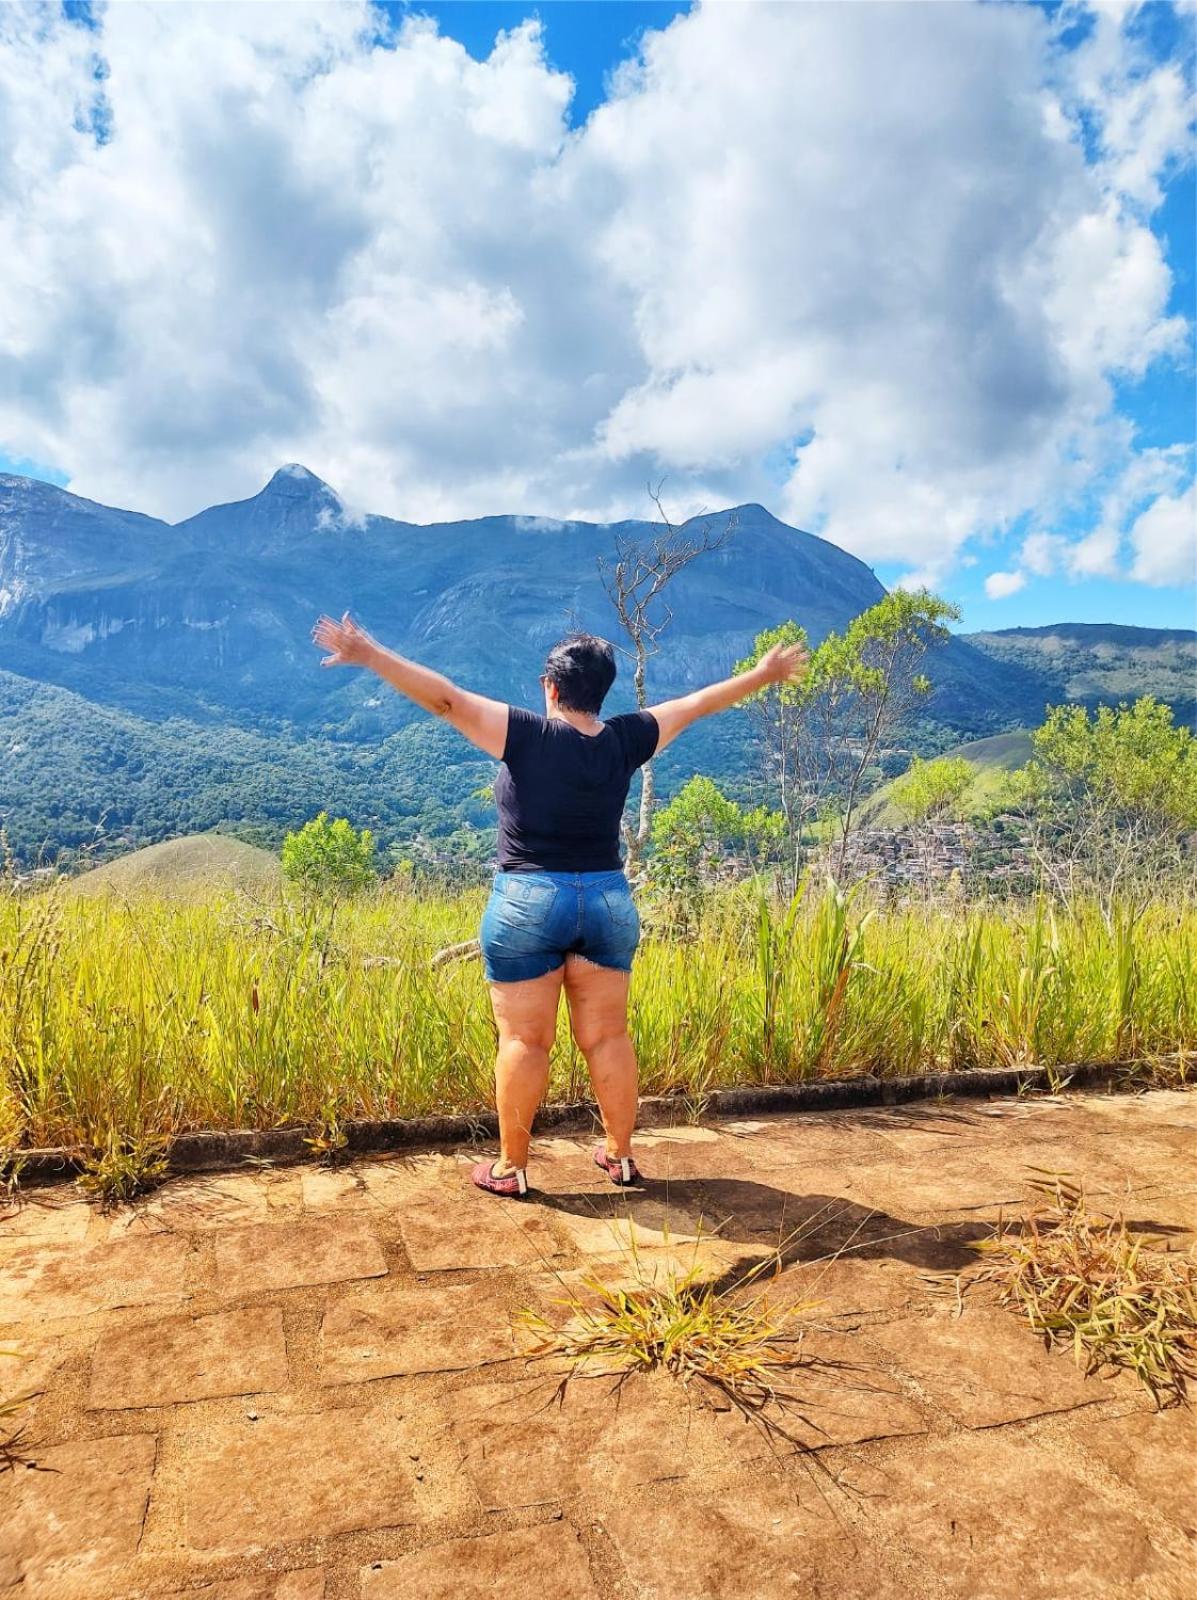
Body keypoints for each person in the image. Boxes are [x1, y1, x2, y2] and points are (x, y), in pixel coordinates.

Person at [310, 611, 808, 1197]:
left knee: (524, 1040)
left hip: (528, 899)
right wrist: (762, 673)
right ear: (602, 692)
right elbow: (696, 703)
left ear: (550, 687)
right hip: (605, 899)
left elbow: (445, 700)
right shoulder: (627, 738)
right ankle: (620, 1158)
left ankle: (511, 1168)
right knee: (608, 1036)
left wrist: (369, 653)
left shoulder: (525, 734)